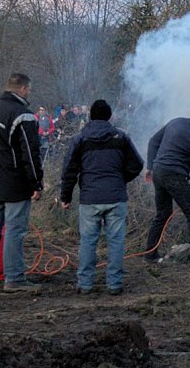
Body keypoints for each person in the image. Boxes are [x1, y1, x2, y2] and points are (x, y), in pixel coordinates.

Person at [59, 99, 143, 295]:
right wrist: (121, 179)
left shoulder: (80, 139)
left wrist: (66, 197)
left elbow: (69, 171)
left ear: (90, 116)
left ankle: (85, 284)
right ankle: (114, 285)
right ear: (110, 117)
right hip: (116, 197)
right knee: (116, 241)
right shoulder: (121, 137)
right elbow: (137, 164)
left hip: (90, 198)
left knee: (88, 241)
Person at [0, 73, 44, 293]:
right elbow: (30, 154)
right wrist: (36, 183)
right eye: (28, 89)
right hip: (16, 182)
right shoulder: (23, 116)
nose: (29, 93)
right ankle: (14, 278)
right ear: (22, 89)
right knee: (15, 230)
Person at [143, 103, 190, 271]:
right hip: (175, 175)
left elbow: (153, 141)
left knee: (162, 213)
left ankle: (150, 254)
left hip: (158, 171)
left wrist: (149, 166)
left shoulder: (176, 122)